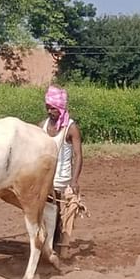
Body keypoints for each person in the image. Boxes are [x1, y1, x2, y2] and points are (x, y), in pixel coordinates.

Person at [39, 86, 83, 255]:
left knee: (63, 215)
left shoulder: (71, 128)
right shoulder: (42, 126)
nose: (50, 111)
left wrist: (74, 180)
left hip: (63, 179)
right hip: (45, 179)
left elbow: (78, 156)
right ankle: (48, 245)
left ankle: (61, 247)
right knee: (48, 214)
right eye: (48, 108)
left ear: (61, 108)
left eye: (54, 108)